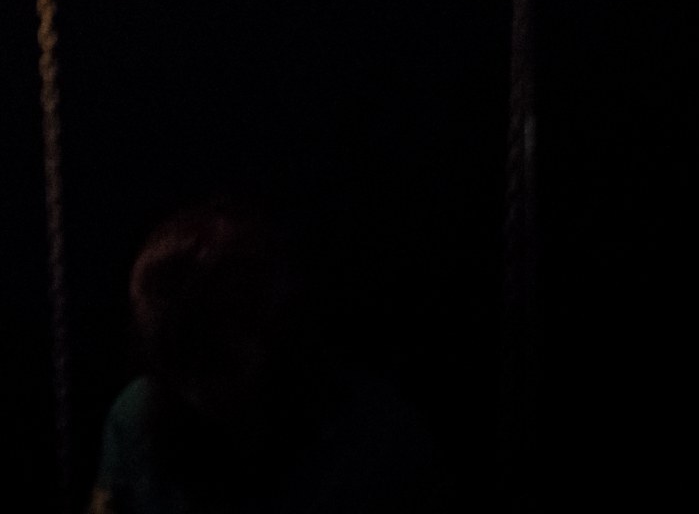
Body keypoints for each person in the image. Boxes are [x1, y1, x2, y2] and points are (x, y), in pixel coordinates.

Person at [90, 205, 447, 514]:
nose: (197, 384)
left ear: (277, 325)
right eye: (176, 356)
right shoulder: (137, 416)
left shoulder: (375, 437)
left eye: (216, 353)